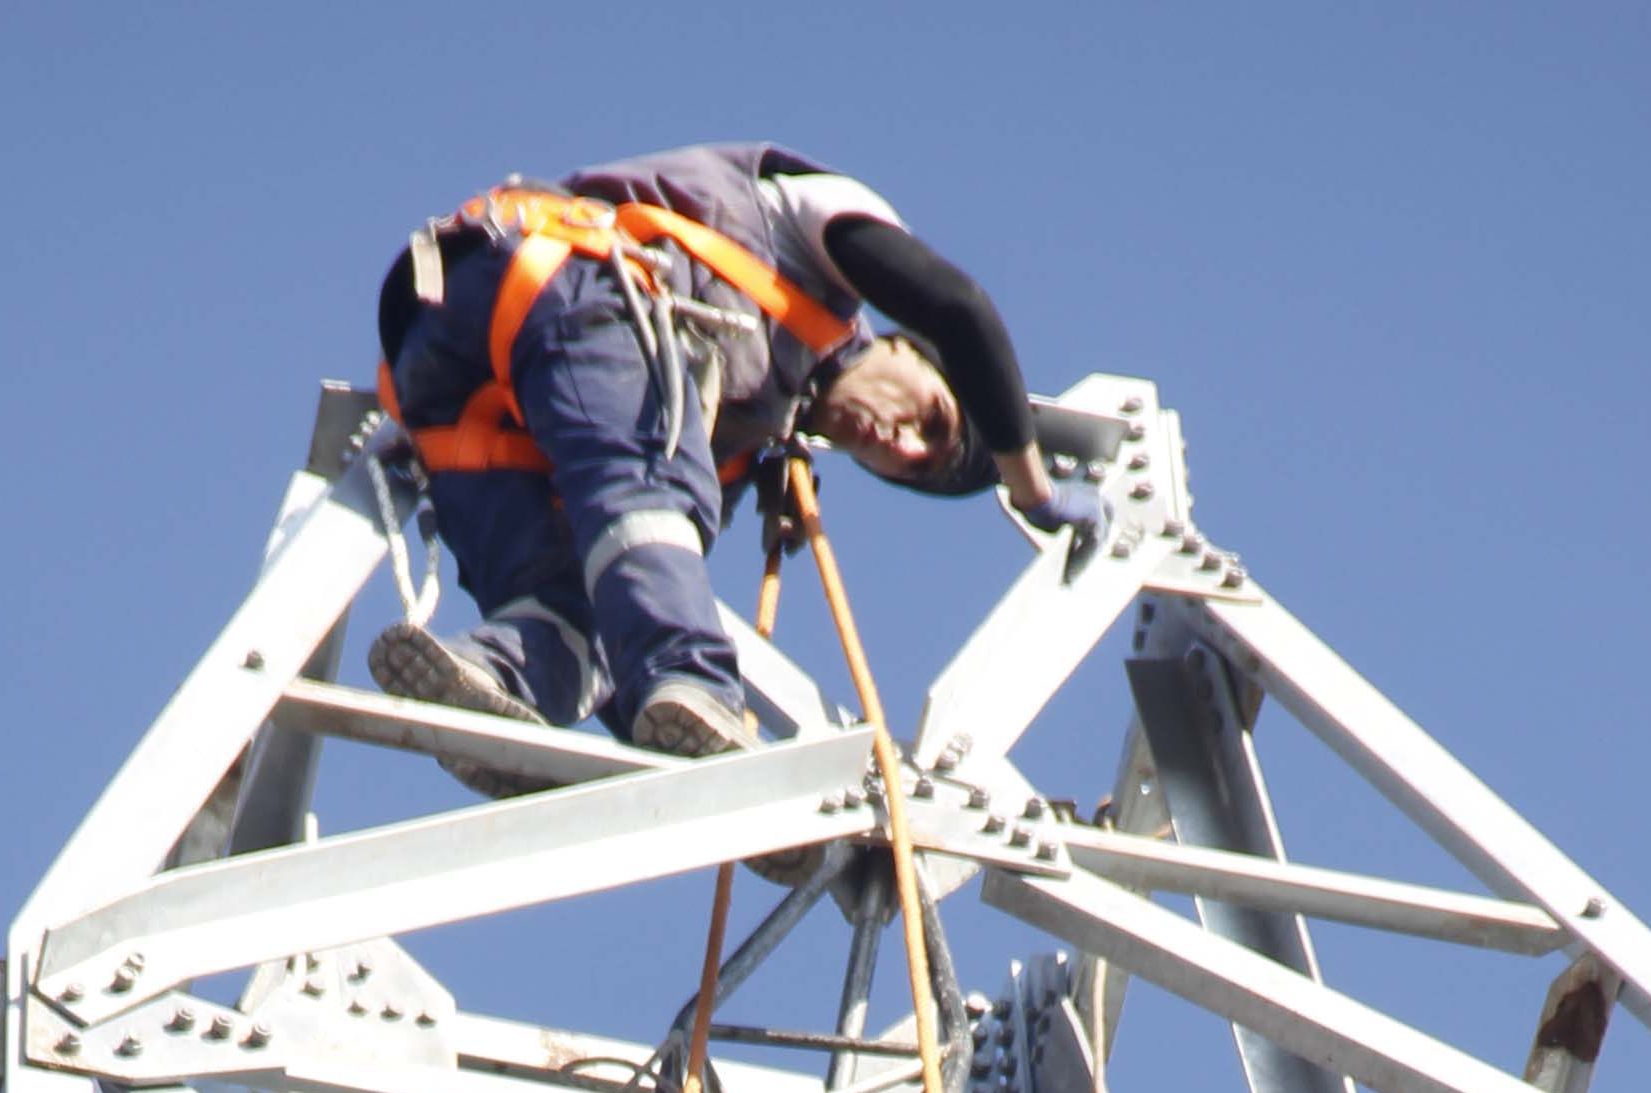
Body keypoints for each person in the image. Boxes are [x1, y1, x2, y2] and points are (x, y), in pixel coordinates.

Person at [368, 150, 1102, 774]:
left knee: (574, 602)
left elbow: (636, 588)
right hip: (562, 277)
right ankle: (694, 683)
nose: (900, 443)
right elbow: (959, 307)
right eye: (930, 419)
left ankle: (497, 675)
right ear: (908, 347)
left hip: (447, 390)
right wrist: (1032, 489)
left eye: (910, 465)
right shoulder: (817, 235)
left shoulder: (739, 435)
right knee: (659, 495)